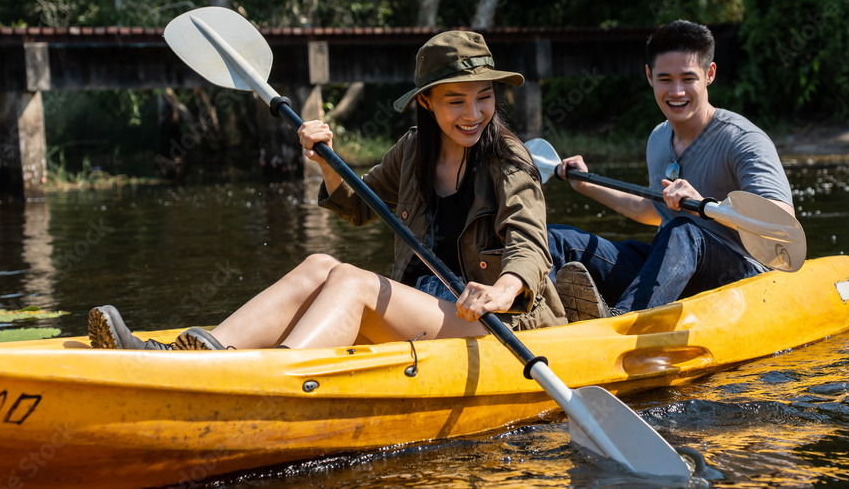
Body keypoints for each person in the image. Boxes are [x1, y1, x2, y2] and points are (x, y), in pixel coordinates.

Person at [88, 30, 565, 351]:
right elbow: (358, 205)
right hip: (428, 304)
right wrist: (326, 161)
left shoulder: (510, 160)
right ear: (426, 101)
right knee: (321, 264)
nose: (473, 113)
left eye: (484, 97)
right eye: (455, 100)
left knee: (354, 283)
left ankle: (277, 381)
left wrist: (501, 292)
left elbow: (530, 246)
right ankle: (195, 355)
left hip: (497, 322)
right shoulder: (414, 148)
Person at [549, 20, 795, 320]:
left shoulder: (744, 140)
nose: (676, 91)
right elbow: (653, 211)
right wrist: (587, 185)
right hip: (672, 268)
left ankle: (620, 324)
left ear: (710, 75)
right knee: (559, 241)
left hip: (739, 278)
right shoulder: (657, 138)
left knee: (684, 230)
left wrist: (705, 206)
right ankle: (541, 319)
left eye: (687, 78)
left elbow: (782, 225)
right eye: (665, 79)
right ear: (649, 76)